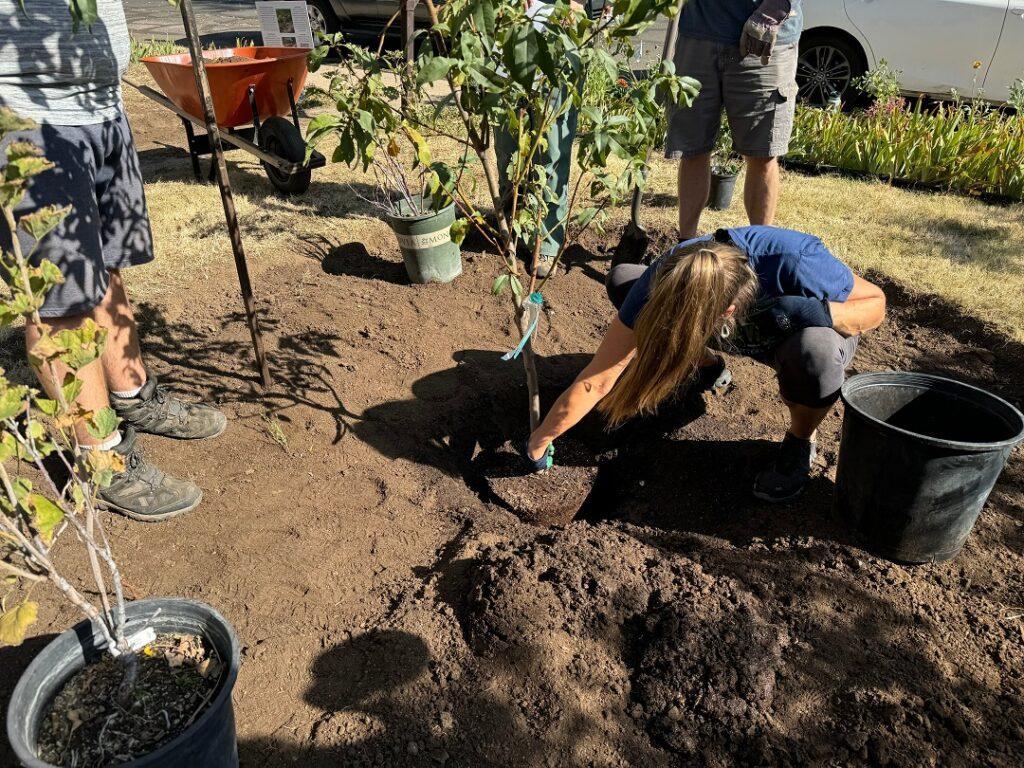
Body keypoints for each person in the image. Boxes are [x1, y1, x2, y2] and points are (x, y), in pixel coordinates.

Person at [0, 0, 226, 521]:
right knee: (60, 302)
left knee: (105, 268)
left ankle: (131, 393)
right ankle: (99, 456)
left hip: (100, 106)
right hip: (29, 114)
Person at [523, 226, 886, 502]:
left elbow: (876, 303)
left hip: (795, 336)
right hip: (725, 328)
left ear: (729, 309)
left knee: (815, 354)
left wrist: (817, 312)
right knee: (624, 281)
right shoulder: (667, 274)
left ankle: (800, 441)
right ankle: (708, 367)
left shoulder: (795, 260)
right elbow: (598, 379)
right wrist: (542, 438)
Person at [667, 0, 802, 239]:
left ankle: (759, 254)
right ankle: (684, 247)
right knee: (692, 149)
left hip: (763, 39)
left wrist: (772, 12)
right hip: (699, 34)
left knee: (762, 154)